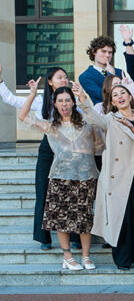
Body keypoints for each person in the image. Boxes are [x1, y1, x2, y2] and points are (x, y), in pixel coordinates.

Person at [0, 64, 83, 250]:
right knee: (43, 191)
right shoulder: (40, 100)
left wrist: (82, 96)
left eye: (65, 76)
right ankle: (44, 237)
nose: (63, 79)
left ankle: (76, 236)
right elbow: (11, 99)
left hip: (71, 147)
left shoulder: (74, 99)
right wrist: (2, 82)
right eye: (59, 77)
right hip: (48, 146)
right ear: (50, 81)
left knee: (73, 192)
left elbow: (86, 119)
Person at [19, 83, 100, 270]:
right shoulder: (51, 126)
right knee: (61, 219)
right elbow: (23, 117)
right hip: (60, 177)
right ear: (54, 104)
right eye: (60, 101)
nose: (64, 104)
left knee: (84, 218)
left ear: (73, 103)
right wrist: (31, 95)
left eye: (67, 100)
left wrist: (84, 99)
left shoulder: (88, 124)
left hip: (85, 177)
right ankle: (68, 256)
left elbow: (99, 143)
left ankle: (86, 256)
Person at [76, 82, 134, 270]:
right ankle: (123, 260)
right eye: (115, 95)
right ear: (113, 102)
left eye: (123, 93)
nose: (120, 96)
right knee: (122, 218)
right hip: (117, 176)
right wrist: (83, 100)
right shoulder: (111, 119)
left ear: (129, 96)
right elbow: (94, 120)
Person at [78, 35, 124, 103]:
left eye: (110, 52)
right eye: (103, 51)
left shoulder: (119, 72)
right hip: (103, 112)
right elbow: (101, 95)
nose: (107, 55)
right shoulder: (85, 77)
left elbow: (127, 94)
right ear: (94, 52)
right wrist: (111, 75)